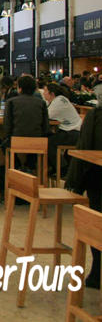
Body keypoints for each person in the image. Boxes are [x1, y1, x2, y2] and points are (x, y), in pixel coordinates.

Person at [65, 103, 102, 289]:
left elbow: (84, 146)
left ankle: (97, 270)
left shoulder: (96, 115)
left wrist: (75, 183)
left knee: (97, 222)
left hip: (97, 178)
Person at [44, 82, 82, 176]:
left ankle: (62, 169)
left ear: (52, 93)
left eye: (45, 91)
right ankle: (56, 167)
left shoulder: (59, 101)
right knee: (49, 138)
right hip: (73, 131)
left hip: (73, 133)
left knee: (48, 142)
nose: (44, 93)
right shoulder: (60, 99)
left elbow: (46, 115)